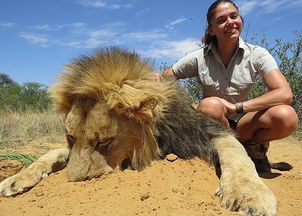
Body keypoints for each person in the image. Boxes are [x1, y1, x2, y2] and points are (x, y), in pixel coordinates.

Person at [156, 0, 298, 172]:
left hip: (244, 123)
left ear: (241, 20)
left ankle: (254, 148)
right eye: (221, 20)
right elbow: (165, 76)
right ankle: (226, 152)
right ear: (211, 30)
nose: (230, 22)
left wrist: (236, 107)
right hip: (213, 123)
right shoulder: (198, 58)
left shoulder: (258, 54)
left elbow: (284, 94)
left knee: (286, 116)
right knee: (210, 106)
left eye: (234, 16)